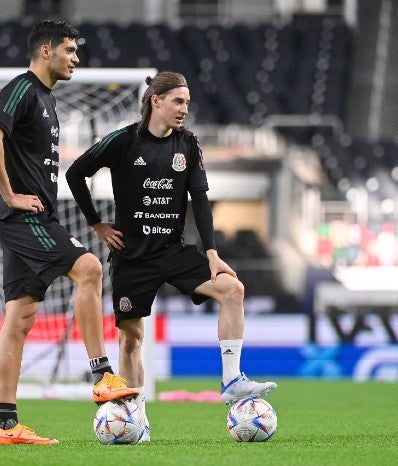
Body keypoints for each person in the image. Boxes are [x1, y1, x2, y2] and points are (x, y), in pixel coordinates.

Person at [66, 71, 277, 442]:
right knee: (130, 339)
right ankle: (137, 419)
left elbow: (200, 199)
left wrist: (211, 251)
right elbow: (75, 173)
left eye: (188, 103)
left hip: (173, 250)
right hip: (131, 257)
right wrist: (97, 223)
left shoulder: (188, 144)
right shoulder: (121, 142)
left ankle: (231, 380)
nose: (184, 109)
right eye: (178, 101)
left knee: (232, 289)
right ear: (156, 101)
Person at [0, 19, 139, 446]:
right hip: (23, 215)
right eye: (69, 50)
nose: (76, 58)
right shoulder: (22, 88)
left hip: (33, 215)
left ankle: (6, 424)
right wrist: (11, 195)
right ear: (45, 50)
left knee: (20, 318)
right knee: (88, 268)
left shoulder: (46, 99)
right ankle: (103, 375)